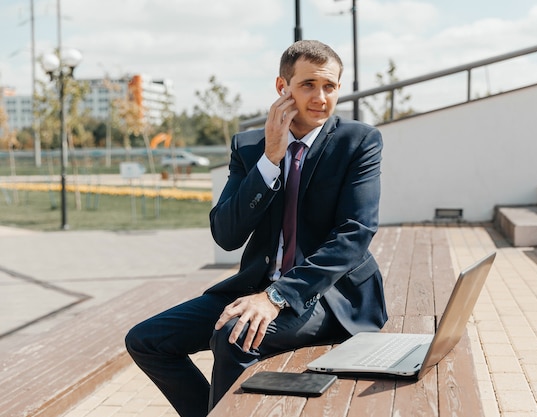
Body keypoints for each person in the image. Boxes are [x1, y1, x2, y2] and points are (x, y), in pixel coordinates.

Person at [125, 39, 387, 417]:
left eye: (330, 86)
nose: (320, 97)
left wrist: (276, 296)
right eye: (308, 85)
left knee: (234, 336)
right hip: (254, 287)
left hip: (328, 296)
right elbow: (226, 235)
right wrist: (271, 158)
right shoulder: (249, 147)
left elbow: (354, 235)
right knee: (147, 340)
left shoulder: (358, 142)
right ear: (283, 88)